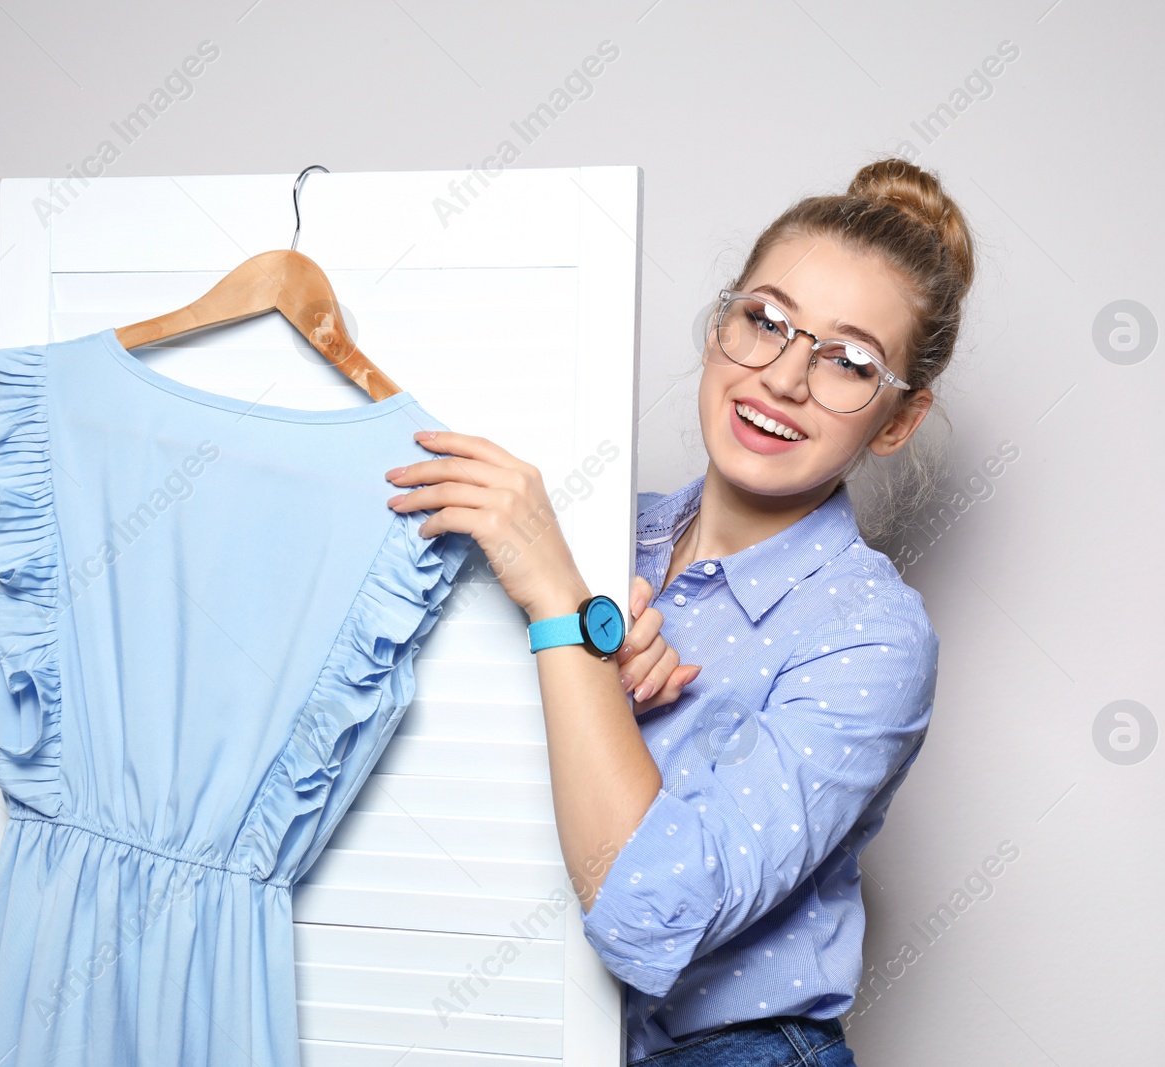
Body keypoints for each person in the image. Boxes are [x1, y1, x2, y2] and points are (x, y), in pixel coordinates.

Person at [385, 156, 976, 1065]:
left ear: (897, 420)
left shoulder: (872, 634)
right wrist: (598, 676)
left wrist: (559, 606)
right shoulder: (600, 536)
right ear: (720, 324)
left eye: (851, 362)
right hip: (541, 1032)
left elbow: (645, 910)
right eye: (765, 321)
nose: (782, 378)